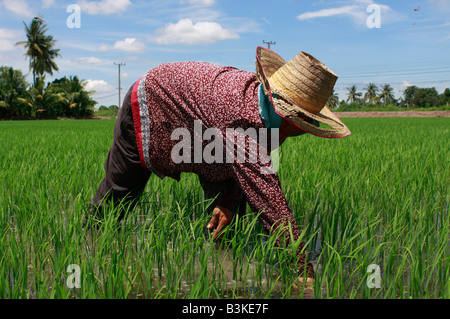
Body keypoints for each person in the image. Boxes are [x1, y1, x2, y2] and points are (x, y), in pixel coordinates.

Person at [90, 47, 351, 282]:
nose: (303, 132)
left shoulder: (267, 118)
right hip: (153, 98)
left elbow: (247, 170)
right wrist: (302, 270)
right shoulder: (243, 117)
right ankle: (90, 247)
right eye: (303, 127)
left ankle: (222, 271)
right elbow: (269, 199)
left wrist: (227, 201)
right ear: (289, 118)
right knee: (120, 191)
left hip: (205, 127)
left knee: (226, 213)